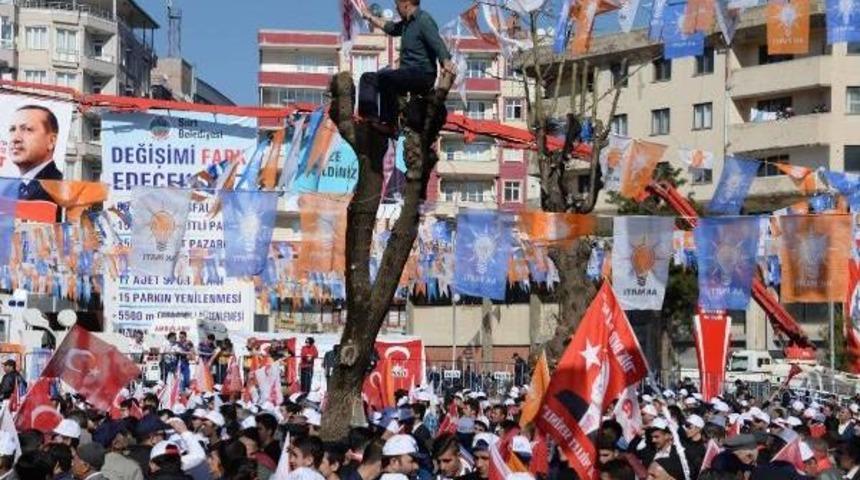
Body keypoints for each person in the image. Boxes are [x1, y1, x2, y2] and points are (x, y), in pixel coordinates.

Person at [358, 0, 455, 134]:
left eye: (397, 6)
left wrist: (446, 62)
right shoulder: (406, 24)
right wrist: (370, 16)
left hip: (422, 74)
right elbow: (389, 28)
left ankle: (389, 124)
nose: (396, 9)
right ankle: (368, 119)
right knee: (368, 78)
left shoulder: (423, 20)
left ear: (406, 4)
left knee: (386, 78)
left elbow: (437, 44)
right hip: (406, 74)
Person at [7, 104, 64, 201]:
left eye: (27, 129)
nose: (15, 139)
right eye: (12, 129)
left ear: (51, 141)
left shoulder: (60, 189)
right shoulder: (9, 189)